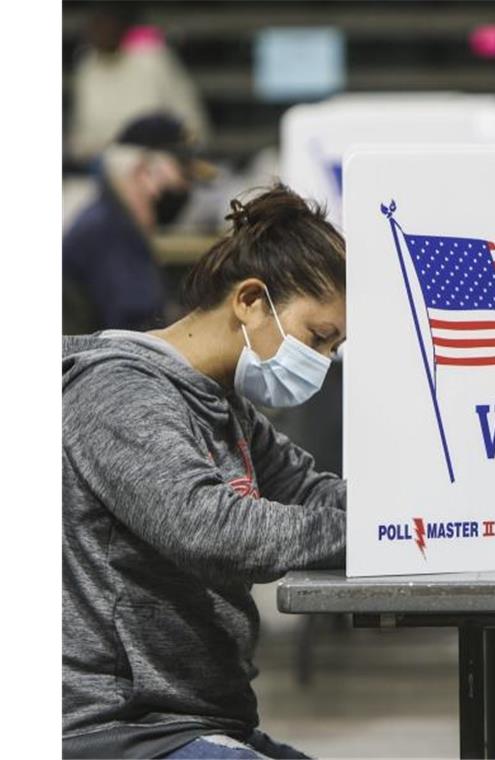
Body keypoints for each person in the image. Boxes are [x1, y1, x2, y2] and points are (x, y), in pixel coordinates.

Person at [63, 184, 347, 759]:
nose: (322, 361)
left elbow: (313, 493)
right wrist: (389, 534)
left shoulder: (222, 404)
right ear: (249, 300)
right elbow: (213, 529)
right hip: (121, 728)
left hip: (201, 718)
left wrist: (431, 518)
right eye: (318, 337)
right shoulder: (116, 392)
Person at [63, 113, 214, 333]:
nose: (186, 187)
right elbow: (138, 328)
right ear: (142, 171)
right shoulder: (109, 233)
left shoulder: (113, 222)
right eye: (182, 172)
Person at [68, 2, 210, 163]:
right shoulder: (88, 67)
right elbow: (81, 138)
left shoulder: (152, 59)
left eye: (106, 24)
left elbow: (192, 124)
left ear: (121, 26)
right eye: (96, 25)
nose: (101, 32)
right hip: (104, 166)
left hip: (160, 163)